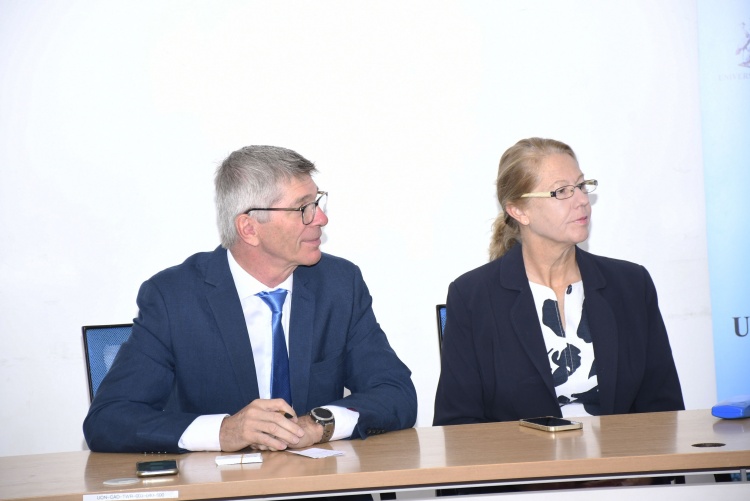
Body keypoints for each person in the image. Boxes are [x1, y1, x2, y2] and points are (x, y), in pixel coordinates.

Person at [84, 145, 417, 453]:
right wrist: (224, 431)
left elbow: (396, 393)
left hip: (319, 481)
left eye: (317, 202)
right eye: (303, 208)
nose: (321, 218)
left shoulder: (339, 284)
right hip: (221, 485)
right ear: (249, 228)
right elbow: (109, 419)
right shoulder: (174, 298)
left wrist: (319, 424)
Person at [434, 137, 684, 427]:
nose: (582, 200)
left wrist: (631, 460)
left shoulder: (631, 285)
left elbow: (664, 408)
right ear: (519, 211)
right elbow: (457, 424)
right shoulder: (472, 297)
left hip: (621, 455)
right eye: (562, 191)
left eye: (581, 186)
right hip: (522, 456)